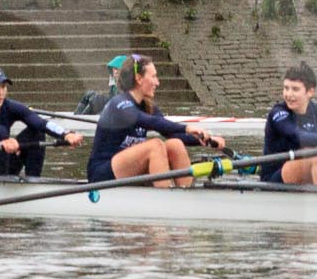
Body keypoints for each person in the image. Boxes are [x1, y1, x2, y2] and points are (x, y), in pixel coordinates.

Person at [87, 55, 225, 188]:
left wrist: (205, 140)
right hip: (101, 174)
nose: (157, 82)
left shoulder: (148, 106)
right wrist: (187, 128)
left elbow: (172, 132)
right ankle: (165, 201)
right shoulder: (120, 104)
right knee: (155, 146)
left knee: (175, 144)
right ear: (139, 79)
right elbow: (149, 122)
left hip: (128, 170)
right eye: (153, 76)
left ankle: (185, 192)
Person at [0, 65, 83, 178]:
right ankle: (0, 185)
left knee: (36, 132)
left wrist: (66, 134)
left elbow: (41, 123)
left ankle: (34, 184)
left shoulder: (9, 106)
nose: (0, 93)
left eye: (3, 87)